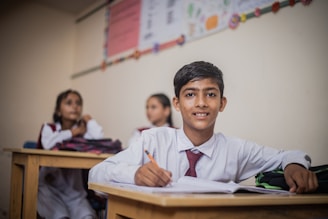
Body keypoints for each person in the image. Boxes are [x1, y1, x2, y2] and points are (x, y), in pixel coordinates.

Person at [89, 61, 318, 194]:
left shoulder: (235, 149)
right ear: (177, 104)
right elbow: (95, 175)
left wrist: (294, 165)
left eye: (210, 94)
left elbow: (288, 155)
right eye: (190, 95)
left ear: (222, 103)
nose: (201, 103)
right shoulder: (153, 140)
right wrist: (135, 174)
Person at [38, 89, 104, 219]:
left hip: (74, 191)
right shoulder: (49, 128)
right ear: (58, 110)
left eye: (78, 103)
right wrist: (73, 133)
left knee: (88, 216)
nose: (75, 106)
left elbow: (99, 139)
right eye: (69, 103)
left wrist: (89, 120)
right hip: (49, 188)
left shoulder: (84, 131)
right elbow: (48, 144)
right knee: (60, 216)